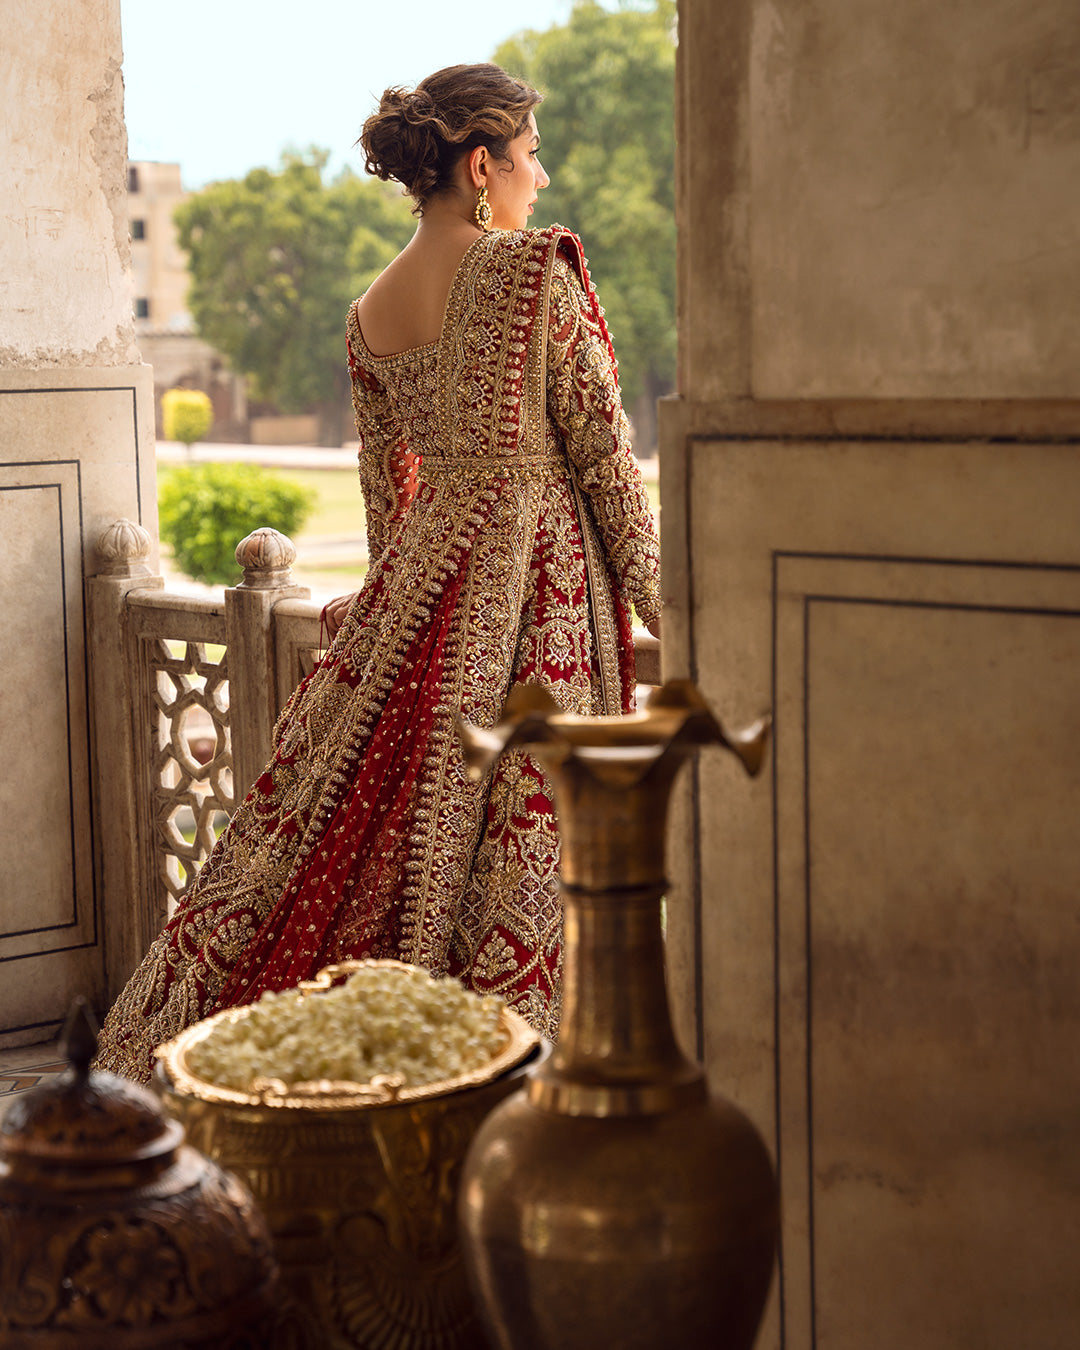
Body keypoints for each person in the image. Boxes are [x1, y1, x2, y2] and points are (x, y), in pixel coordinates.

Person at [95, 63, 661, 1083]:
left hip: (415, 605)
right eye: (530, 157)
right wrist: (667, 603)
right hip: (541, 604)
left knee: (330, 839)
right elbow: (606, 460)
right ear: (481, 165)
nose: (540, 177)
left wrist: (392, 609)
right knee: (526, 856)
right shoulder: (533, 271)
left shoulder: (371, 310)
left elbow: (383, 498)